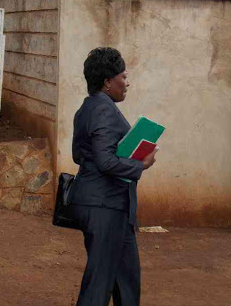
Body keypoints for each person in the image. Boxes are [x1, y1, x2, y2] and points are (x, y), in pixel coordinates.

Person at [70, 47, 159, 306]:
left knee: (127, 279)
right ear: (108, 81)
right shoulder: (104, 110)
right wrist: (141, 164)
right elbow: (105, 160)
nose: (127, 83)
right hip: (104, 206)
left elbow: (80, 155)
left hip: (109, 205)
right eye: (123, 76)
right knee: (99, 284)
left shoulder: (87, 108)